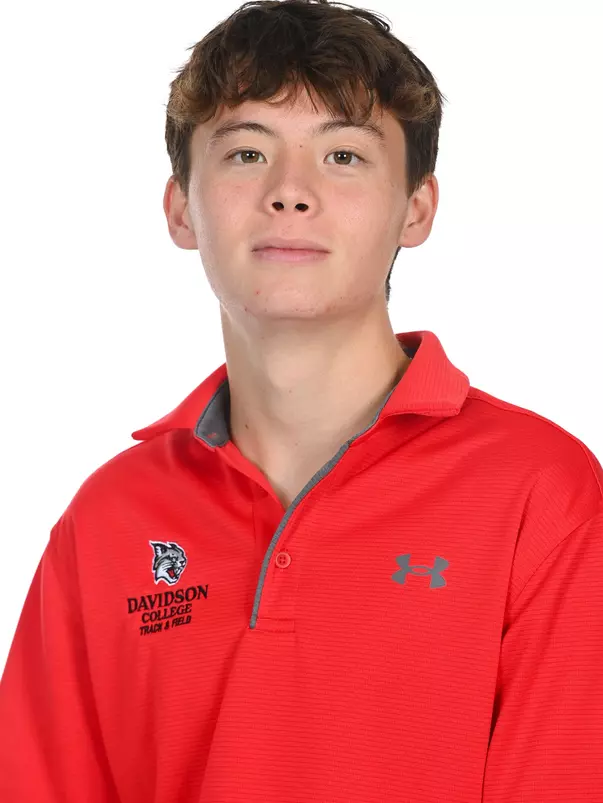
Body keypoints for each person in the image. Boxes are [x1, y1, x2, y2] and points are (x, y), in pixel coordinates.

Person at [1, 0, 602, 800]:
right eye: (246, 152)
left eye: (343, 156)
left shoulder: (542, 494)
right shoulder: (109, 518)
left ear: (415, 209)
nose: (290, 191)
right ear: (182, 208)